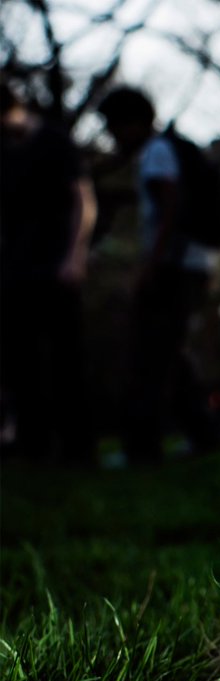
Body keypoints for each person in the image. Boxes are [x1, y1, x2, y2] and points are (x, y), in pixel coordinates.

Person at [96, 86, 220, 464]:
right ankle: (204, 435)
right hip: (189, 264)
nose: (111, 136)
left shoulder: (156, 153)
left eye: (112, 126)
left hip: (172, 266)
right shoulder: (169, 148)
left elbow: (171, 204)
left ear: (131, 122)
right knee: (170, 353)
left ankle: (142, 448)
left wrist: (150, 264)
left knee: (147, 357)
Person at [0, 81, 98, 463]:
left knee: (67, 362)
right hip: (15, 268)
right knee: (21, 363)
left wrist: (75, 257)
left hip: (58, 265)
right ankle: (34, 450)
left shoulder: (55, 141)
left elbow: (83, 200)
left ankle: (79, 452)